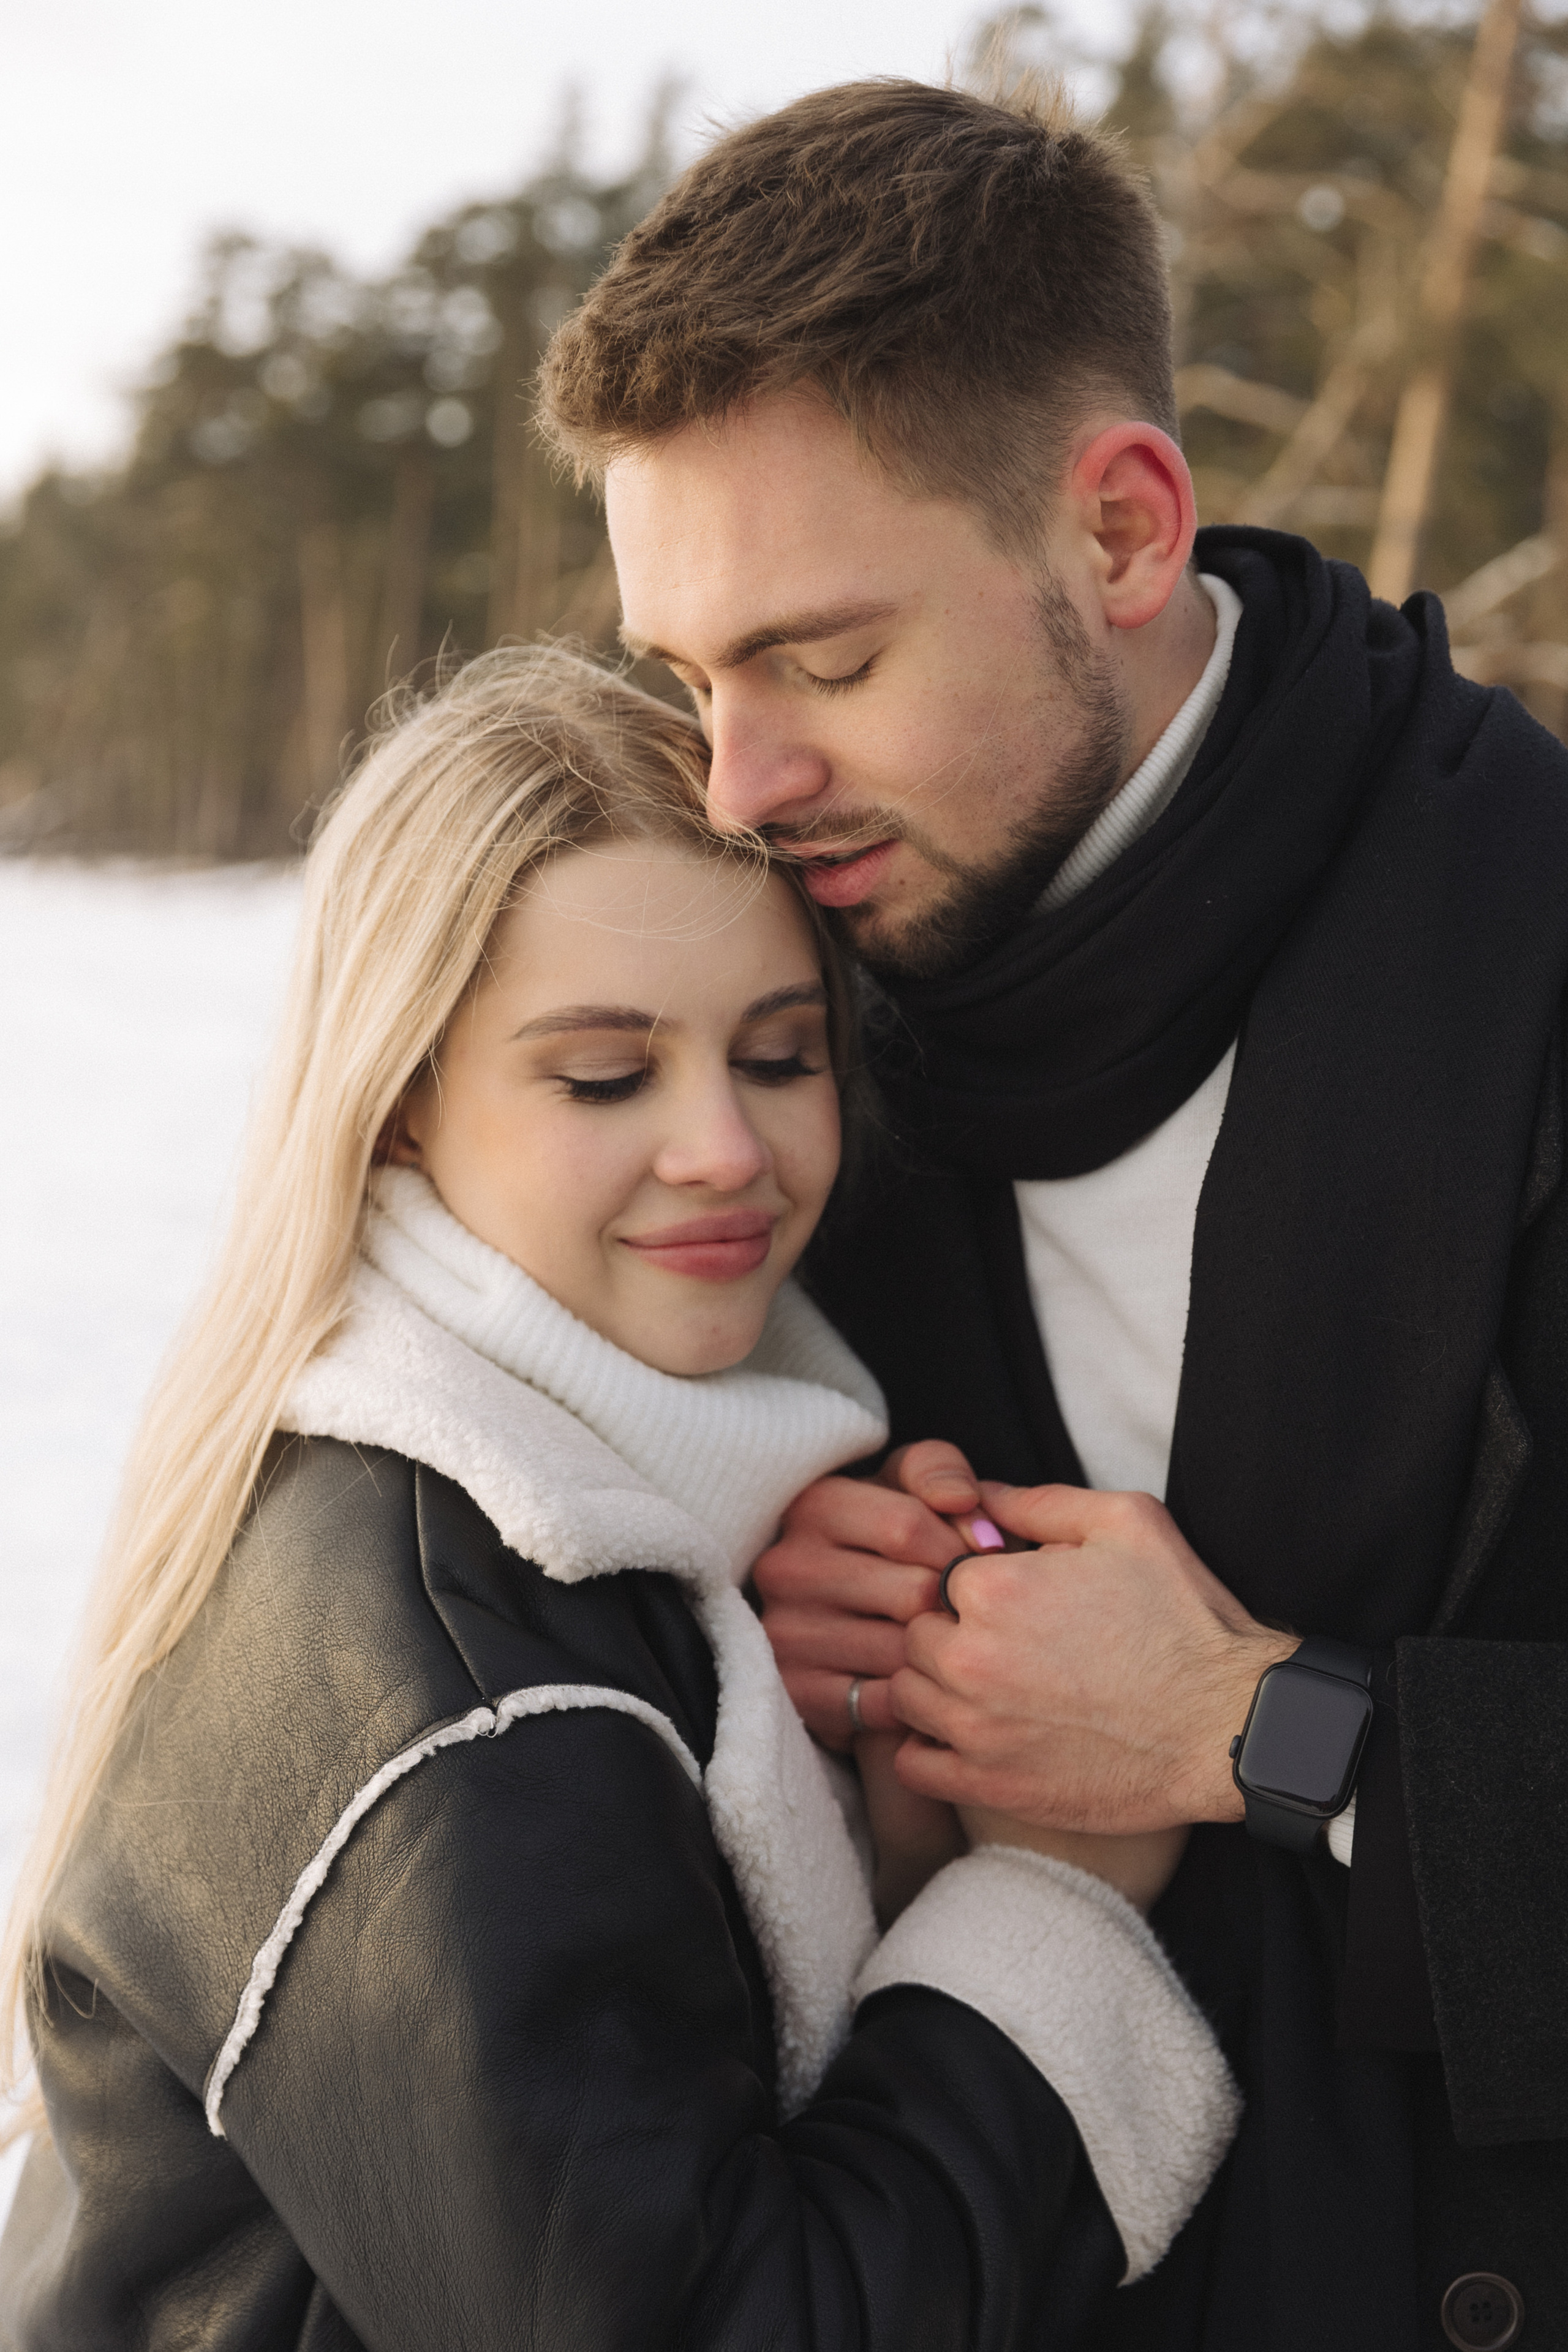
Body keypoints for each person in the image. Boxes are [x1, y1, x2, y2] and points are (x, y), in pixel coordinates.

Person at [540, 70, 1568, 2351]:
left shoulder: (1538, 952)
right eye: (689, 679)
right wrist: (784, 1623)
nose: (741, 785)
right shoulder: (763, 1043)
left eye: (823, 659)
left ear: (1118, 531)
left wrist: (1266, 1732)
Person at [0, 646, 1237, 2346]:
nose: (723, 1146)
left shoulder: (606, 1510)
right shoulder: (458, 1686)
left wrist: (886, 1816)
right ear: (409, 1099)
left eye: (782, 1056)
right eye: (606, 1074)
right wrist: (1053, 1893)